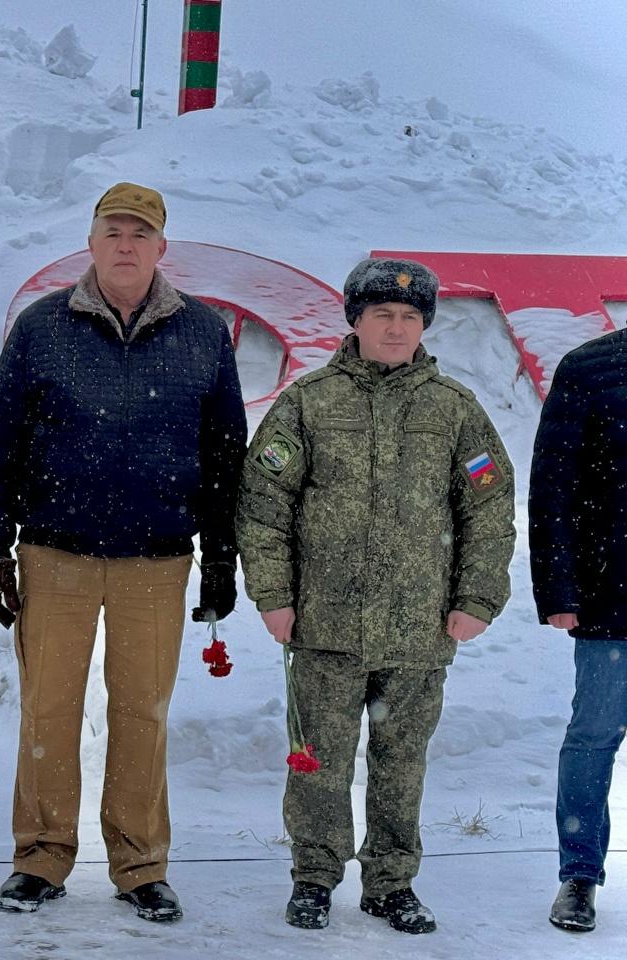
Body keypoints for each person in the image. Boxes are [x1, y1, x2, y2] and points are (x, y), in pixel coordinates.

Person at [0, 182, 247, 921]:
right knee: (48, 709)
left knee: (142, 714)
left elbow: (226, 456)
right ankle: (40, 856)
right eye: (113, 232)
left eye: (140, 234)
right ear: (91, 243)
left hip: (157, 559)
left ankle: (139, 864)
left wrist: (221, 555)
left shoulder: (202, 332)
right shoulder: (41, 327)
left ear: (161, 247)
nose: (126, 245)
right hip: (54, 554)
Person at [237, 257, 516, 935]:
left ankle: (391, 882)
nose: (396, 328)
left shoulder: (453, 410)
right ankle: (314, 877)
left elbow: (489, 507)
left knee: (401, 764)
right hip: (325, 623)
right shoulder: (308, 402)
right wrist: (272, 594)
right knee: (318, 763)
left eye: (409, 316)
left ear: (424, 325)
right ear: (355, 321)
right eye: (381, 314)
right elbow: (264, 503)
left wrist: (478, 597)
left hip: (420, 627)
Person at [529, 326, 627, 934]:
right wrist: (559, 589)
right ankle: (580, 876)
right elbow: (554, 486)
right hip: (613, 593)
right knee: (594, 736)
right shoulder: (591, 367)